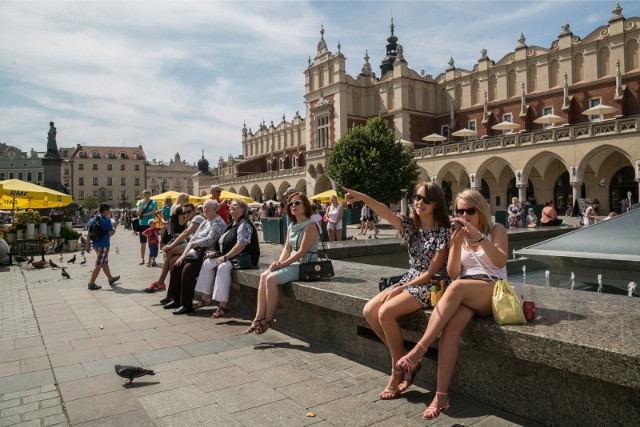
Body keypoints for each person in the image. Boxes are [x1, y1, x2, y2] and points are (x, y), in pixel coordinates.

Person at [396, 189, 508, 420]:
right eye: (459, 211)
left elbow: (500, 261)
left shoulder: (496, 229)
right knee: (451, 329)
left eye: (470, 210)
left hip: (492, 291)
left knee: (456, 288)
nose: (464, 215)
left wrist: (477, 236)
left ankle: (419, 350)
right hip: (466, 292)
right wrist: (456, 245)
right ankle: (441, 395)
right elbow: (454, 272)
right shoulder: (456, 233)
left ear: (481, 210)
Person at [345, 183, 450, 400]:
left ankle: (396, 371)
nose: (419, 202)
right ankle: (407, 361)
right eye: (417, 197)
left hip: (431, 284)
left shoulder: (443, 232)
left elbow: (432, 273)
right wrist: (364, 196)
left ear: (436, 204)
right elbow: (385, 211)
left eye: (425, 200)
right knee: (369, 310)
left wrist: (400, 288)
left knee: (385, 312)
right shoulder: (412, 226)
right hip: (411, 279)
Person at [245, 192, 320, 334]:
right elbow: (287, 248)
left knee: (271, 279)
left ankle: (268, 320)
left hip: (305, 265)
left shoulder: (311, 225)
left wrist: (282, 265)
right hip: (293, 262)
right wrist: (278, 263)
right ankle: (258, 317)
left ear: (305, 206)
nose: (293, 206)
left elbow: (302, 252)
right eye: (290, 204)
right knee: (264, 276)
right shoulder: (292, 225)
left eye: (297, 203)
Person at [193, 199, 260, 317]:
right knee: (208, 263)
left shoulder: (244, 223)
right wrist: (215, 253)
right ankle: (206, 297)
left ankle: (223, 304)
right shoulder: (231, 224)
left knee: (223, 267)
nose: (231, 207)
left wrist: (225, 257)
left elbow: (242, 244)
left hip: (244, 257)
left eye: (235, 205)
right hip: (232, 256)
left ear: (243, 209)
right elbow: (225, 244)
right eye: (231, 205)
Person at [162, 200, 226, 314]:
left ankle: (186, 304)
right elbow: (192, 238)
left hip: (207, 254)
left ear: (215, 209)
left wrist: (194, 244)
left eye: (208, 207)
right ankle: (176, 299)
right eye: (204, 207)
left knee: (188, 270)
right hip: (196, 253)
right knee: (175, 264)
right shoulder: (205, 222)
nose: (205, 209)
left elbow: (211, 240)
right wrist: (183, 254)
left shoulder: (218, 222)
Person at [145, 203, 199, 293]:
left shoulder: (197, 218)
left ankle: (160, 282)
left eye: (189, 212)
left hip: (196, 246)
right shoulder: (190, 221)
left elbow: (185, 233)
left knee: (169, 251)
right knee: (172, 260)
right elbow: (187, 234)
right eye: (184, 212)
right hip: (191, 243)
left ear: (194, 211)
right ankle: (172, 290)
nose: (186, 214)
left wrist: (171, 245)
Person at [85, 203, 120, 290]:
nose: (110, 212)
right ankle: (91, 283)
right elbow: (110, 233)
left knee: (104, 262)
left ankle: (110, 279)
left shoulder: (92, 220)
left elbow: (89, 234)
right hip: (104, 245)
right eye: (108, 210)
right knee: (99, 264)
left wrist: (87, 245)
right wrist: (115, 227)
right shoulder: (106, 220)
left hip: (96, 245)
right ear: (104, 211)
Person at [136, 190, 158, 265]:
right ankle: (142, 259)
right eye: (144, 195)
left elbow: (153, 211)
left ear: (149, 195)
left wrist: (144, 215)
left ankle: (152, 259)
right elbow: (138, 213)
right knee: (143, 242)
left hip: (151, 224)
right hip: (142, 224)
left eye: (147, 195)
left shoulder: (154, 202)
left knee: (152, 242)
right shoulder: (140, 202)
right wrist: (142, 205)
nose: (145, 196)